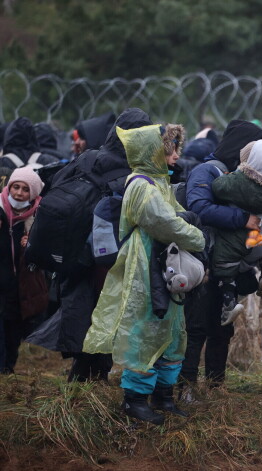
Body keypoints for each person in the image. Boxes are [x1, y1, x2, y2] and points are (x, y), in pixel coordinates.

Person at [83, 123, 205, 424]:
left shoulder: (159, 182)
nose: (176, 155)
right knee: (146, 330)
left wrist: (185, 223)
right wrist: (197, 237)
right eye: (170, 149)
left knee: (172, 332)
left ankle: (163, 396)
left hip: (164, 265)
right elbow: (165, 222)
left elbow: (176, 215)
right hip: (145, 267)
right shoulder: (140, 185)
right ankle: (134, 400)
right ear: (154, 152)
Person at [25, 108, 154, 383]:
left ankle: (82, 386)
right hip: (106, 260)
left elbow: (54, 185)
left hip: (71, 251)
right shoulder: (135, 172)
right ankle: (88, 387)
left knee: (82, 317)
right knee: (104, 319)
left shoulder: (88, 157)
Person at [179, 119, 262, 397]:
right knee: (196, 329)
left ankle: (216, 389)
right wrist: (244, 219)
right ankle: (186, 387)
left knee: (221, 330)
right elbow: (199, 207)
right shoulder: (207, 171)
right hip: (203, 264)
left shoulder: (240, 178)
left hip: (226, 267)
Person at [210, 139, 262, 325]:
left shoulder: (239, 181)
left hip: (239, 238)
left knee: (224, 265)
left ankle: (229, 303)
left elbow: (217, 187)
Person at [0, 167, 47, 373]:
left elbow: (47, 255)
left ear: (34, 193)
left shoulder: (38, 218)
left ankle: (8, 368)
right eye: (15, 187)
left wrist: (33, 245)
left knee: (13, 333)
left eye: (25, 189)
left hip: (21, 288)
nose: (18, 193)